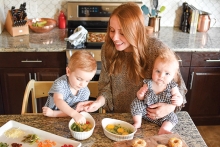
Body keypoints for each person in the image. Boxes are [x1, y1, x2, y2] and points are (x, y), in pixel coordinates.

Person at [78, 2, 187, 120]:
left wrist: (169, 107)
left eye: (122, 33)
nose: (114, 37)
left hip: (150, 120)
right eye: (112, 30)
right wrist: (97, 103)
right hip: (119, 119)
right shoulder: (108, 49)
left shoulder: (157, 50)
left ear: (136, 31)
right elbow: (105, 87)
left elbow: (179, 88)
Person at [131, 48, 183, 134]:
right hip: (146, 112)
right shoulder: (148, 83)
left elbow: (179, 98)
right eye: (158, 71)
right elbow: (140, 97)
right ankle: (137, 122)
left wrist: (178, 100)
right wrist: (140, 93)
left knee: (173, 118)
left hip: (163, 115)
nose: (161, 76)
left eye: (167, 73)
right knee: (136, 103)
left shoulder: (172, 86)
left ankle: (164, 129)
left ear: (173, 76)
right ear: (153, 70)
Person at [42, 50, 97, 124]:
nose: (83, 84)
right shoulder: (60, 83)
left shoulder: (85, 92)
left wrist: (54, 114)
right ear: (68, 72)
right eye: (79, 79)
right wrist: (52, 114)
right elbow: (58, 101)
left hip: (68, 120)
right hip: (49, 120)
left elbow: (76, 111)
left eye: (87, 81)